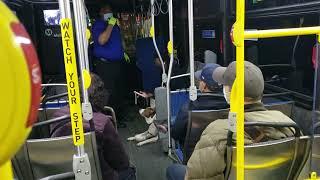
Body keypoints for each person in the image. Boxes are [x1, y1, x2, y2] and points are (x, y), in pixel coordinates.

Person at [167, 61, 296, 180]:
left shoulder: (218, 131)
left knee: (172, 170)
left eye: (225, 85)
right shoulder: (288, 124)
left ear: (230, 91)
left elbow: (197, 176)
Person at [50, 73, 135, 180]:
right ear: (100, 96)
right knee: (129, 170)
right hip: (100, 176)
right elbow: (121, 162)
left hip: (64, 175)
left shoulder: (57, 116)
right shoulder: (103, 123)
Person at [171, 63, 228, 147]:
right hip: (222, 152)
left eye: (201, 80)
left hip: (193, 156)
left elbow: (175, 134)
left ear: (204, 85)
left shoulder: (189, 108)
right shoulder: (231, 105)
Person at [92, 3, 126, 115]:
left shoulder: (114, 24)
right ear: (101, 12)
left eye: (110, 10)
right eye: (107, 10)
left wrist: (123, 51)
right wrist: (110, 25)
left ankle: (119, 116)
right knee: (108, 92)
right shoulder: (99, 25)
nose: (109, 12)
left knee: (118, 91)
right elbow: (102, 40)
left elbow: (119, 39)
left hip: (117, 63)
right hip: (105, 65)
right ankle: (108, 117)